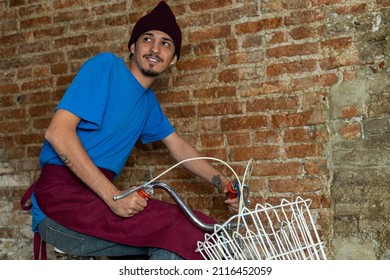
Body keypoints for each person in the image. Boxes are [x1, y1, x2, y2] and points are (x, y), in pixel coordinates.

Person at [20, 1, 238, 260]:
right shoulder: (106, 67)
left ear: (174, 59)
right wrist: (113, 196)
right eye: (148, 39)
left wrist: (224, 183)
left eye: (166, 43)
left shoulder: (147, 104)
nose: (155, 49)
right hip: (60, 201)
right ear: (133, 46)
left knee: (204, 234)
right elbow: (58, 133)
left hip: (97, 200)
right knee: (185, 231)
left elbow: (178, 147)